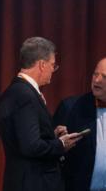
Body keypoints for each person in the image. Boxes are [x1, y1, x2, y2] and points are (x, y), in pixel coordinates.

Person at [0, 37, 81, 191]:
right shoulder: (25, 95)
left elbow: (25, 138)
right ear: (42, 65)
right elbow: (31, 146)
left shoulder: (16, 91)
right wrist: (61, 144)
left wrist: (51, 134)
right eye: (52, 65)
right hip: (33, 183)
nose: (53, 70)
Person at [54, 57, 106, 191]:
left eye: (104, 76)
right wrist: (58, 143)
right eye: (95, 74)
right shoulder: (70, 107)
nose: (97, 80)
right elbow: (49, 152)